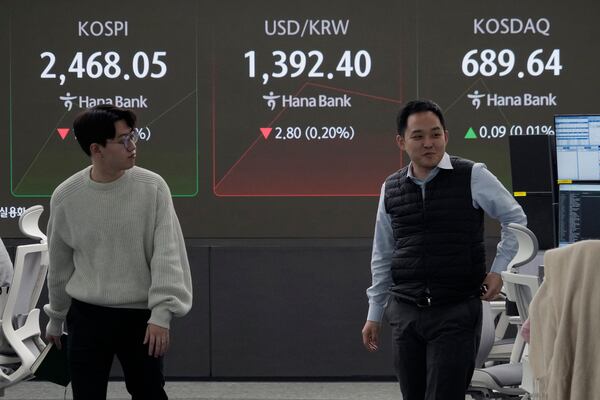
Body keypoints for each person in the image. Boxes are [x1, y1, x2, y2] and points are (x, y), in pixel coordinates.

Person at [361, 100, 527, 400]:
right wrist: (375, 313)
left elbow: (515, 219)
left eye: (436, 134)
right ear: (401, 141)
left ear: (446, 136)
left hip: (455, 310)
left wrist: (499, 270)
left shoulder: (472, 175)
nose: (429, 143)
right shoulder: (392, 186)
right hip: (405, 311)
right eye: (419, 136)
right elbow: (383, 253)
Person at [44, 104, 193, 400]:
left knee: (149, 392)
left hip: (140, 318)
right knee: (86, 394)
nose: (132, 146)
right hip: (86, 316)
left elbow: (167, 254)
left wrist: (161, 314)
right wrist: (56, 317)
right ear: (96, 149)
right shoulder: (66, 196)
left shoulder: (153, 188)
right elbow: (60, 264)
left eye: (133, 137)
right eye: (123, 140)